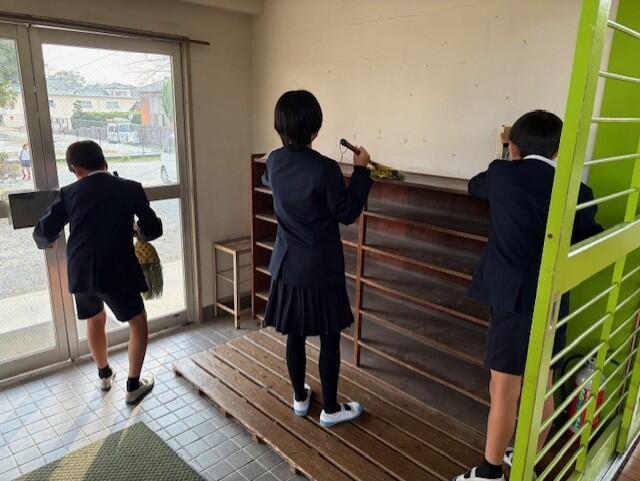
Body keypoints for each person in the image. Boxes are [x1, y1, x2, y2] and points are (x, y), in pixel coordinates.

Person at [454, 110, 603, 481]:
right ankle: (524, 462)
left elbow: (474, 186)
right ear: (558, 150)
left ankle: (489, 473)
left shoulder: (502, 175)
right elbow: (588, 236)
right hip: (553, 301)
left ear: (514, 146)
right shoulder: (577, 190)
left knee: (504, 390)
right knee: (542, 385)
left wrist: (506, 153)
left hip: (512, 302)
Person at [262, 90, 373, 427]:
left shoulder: (273, 162)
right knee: (328, 337)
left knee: (295, 335)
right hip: (321, 268)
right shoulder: (324, 169)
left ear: (280, 126)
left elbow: (270, 179)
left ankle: (300, 398)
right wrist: (361, 171)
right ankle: (331, 409)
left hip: (287, 266)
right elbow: (347, 212)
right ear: (315, 129)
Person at [33, 140, 162, 405]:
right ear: (104, 161)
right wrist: (139, 231)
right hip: (116, 269)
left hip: (80, 270)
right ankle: (133, 386)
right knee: (138, 322)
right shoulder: (130, 187)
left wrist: (49, 241)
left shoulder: (68, 193)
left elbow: (44, 231)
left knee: (94, 318)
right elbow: (153, 227)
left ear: (76, 168)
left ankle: (104, 376)